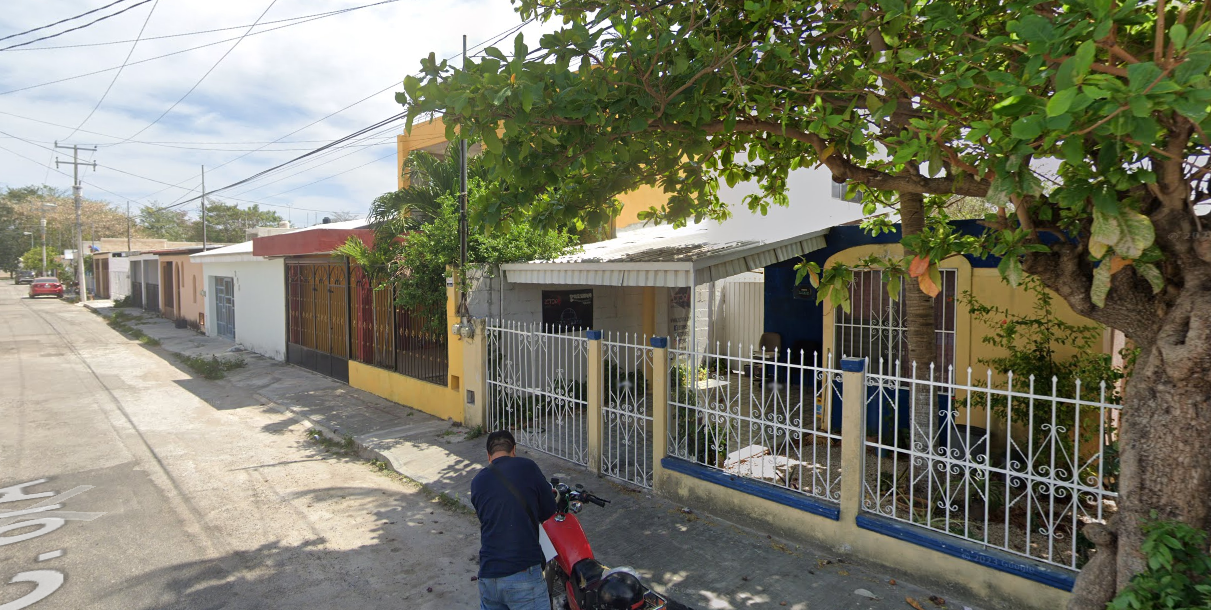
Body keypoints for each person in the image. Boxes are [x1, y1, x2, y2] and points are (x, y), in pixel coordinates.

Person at [470, 430, 558, 610]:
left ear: (488, 456)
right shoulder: (528, 467)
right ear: (514, 450)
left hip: (488, 577)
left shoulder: (477, 482)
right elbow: (549, 509)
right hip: (522, 574)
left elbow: (488, 517)